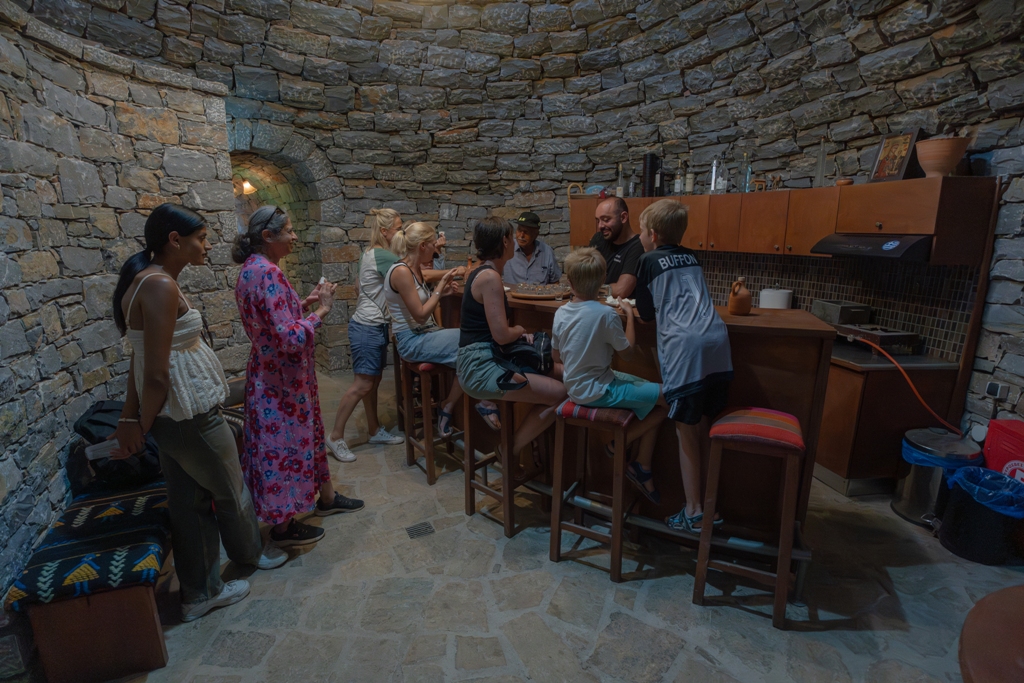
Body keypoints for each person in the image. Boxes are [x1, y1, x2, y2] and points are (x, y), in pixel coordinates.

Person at [110, 203, 286, 623]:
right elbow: (154, 374)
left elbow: (139, 358)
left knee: (189, 502)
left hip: (174, 414)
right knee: (231, 486)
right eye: (201, 238)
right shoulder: (159, 286)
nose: (208, 246)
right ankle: (250, 554)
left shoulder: (150, 279)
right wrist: (138, 427)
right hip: (187, 413)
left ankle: (201, 592)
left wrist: (133, 419)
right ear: (175, 240)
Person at [234, 206, 364, 549]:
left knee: (307, 437)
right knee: (281, 450)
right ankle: (282, 528)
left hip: (274, 376)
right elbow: (289, 338)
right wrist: (322, 310)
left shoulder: (253, 268)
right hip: (281, 384)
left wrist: (304, 303)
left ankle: (327, 497)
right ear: (268, 236)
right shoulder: (269, 274)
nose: (294, 236)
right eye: (288, 231)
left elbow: (275, 320)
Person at [635, 199, 733, 532]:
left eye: (641, 232)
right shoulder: (692, 256)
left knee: (686, 431)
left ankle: (693, 512)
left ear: (652, 234)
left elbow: (645, 313)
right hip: (716, 341)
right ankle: (708, 507)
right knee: (702, 426)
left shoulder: (647, 260)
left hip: (686, 347)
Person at [551, 247, 665, 503]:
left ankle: (641, 464)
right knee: (669, 397)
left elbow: (556, 357)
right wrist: (629, 317)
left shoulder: (560, 313)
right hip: (599, 391)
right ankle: (619, 445)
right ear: (603, 281)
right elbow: (628, 353)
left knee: (650, 389)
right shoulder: (605, 314)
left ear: (570, 282)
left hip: (575, 389)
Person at [457, 217, 567, 463]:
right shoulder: (490, 277)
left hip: (486, 358)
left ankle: (533, 451)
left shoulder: (482, 271)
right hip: (480, 366)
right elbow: (501, 335)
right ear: (505, 241)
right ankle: (510, 450)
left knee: (557, 373)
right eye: (512, 236)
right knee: (560, 393)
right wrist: (519, 329)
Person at [385, 221, 497, 436]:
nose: (436, 249)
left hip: (425, 333)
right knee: (473, 343)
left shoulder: (413, 268)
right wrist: (439, 289)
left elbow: (418, 302)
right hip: (411, 339)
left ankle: (449, 406)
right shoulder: (400, 271)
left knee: (472, 344)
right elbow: (419, 316)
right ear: (422, 246)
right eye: (433, 244)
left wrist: (441, 293)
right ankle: (483, 400)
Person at [326, 208, 406, 463]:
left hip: (373, 325)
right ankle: (335, 436)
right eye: (399, 229)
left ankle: (373, 430)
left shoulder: (370, 253)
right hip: (368, 327)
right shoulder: (383, 255)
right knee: (362, 385)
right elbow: (414, 275)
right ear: (384, 231)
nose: (402, 234)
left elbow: (359, 287)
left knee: (373, 382)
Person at [589, 197, 645, 299]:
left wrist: (587, 289)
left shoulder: (638, 246)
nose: (600, 226)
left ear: (623, 217)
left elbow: (621, 290)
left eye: (606, 220)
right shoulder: (598, 239)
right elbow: (583, 276)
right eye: (598, 220)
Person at [502, 211, 562, 285]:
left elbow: (555, 282)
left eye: (526, 232)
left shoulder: (547, 252)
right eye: (519, 230)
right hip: (512, 292)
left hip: (539, 292)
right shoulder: (506, 248)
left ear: (536, 234)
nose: (521, 235)